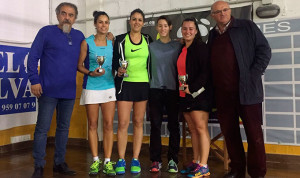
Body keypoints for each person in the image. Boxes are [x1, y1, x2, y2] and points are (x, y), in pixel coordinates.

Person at [207, 1, 271, 178]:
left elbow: (264, 50)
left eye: (225, 10)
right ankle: (237, 170)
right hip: (223, 95)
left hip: (248, 92)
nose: (222, 14)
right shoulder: (212, 35)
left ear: (230, 10)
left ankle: (257, 173)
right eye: (218, 12)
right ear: (212, 16)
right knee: (231, 134)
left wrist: (253, 75)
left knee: (254, 135)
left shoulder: (247, 26)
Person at [27, 2, 85, 178]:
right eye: (63, 13)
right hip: (47, 90)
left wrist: (109, 37)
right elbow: (33, 56)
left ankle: (59, 163)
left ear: (75, 18)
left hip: (68, 91)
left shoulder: (79, 36)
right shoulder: (46, 32)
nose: (67, 17)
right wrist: (34, 80)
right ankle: (39, 165)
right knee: (42, 129)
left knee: (63, 128)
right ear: (57, 15)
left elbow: (86, 57)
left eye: (71, 15)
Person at [112, 8, 153, 175]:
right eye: (134, 19)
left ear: (143, 23)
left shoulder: (149, 40)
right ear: (130, 21)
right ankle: (121, 159)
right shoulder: (120, 40)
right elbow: (115, 61)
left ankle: (135, 158)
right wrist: (118, 70)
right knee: (122, 124)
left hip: (143, 84)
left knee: (138, 122)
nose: (137, 22)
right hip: (125, 85)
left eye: (140, 20)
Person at [77, 11, 116, 176]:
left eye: (106, 22)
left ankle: (107, 161)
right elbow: (79, 65)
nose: (103, 25)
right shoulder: (86, 42)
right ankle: (95, 160)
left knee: (108, 125)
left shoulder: (111, 42)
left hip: (109, 86)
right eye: (100, 22)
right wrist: (91, 73)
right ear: (95, 24)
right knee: (92, 125)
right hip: (92, 87)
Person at [177, 17, 213, 178]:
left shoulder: (201, 48)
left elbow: (206, 72)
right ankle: (196, 161)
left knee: (200, 128)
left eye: (191, 28)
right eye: (185, 28)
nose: (187, 31)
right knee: (192, 129)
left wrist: (193, 88)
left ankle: (204, 165)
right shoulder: (182, 48)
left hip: (200, 95)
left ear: (196, 31)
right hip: (184, 95)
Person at [148, 16, 181, 173]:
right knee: (155, 125)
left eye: (165, 26)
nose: (162, 28)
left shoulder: (177, 45)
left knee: (174, 125)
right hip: (155, 90)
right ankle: (155, 160)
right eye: (159, 26)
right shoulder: (151, 47)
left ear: (170, 27)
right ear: (156, 28)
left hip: (173, 90)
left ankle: (173, 160)